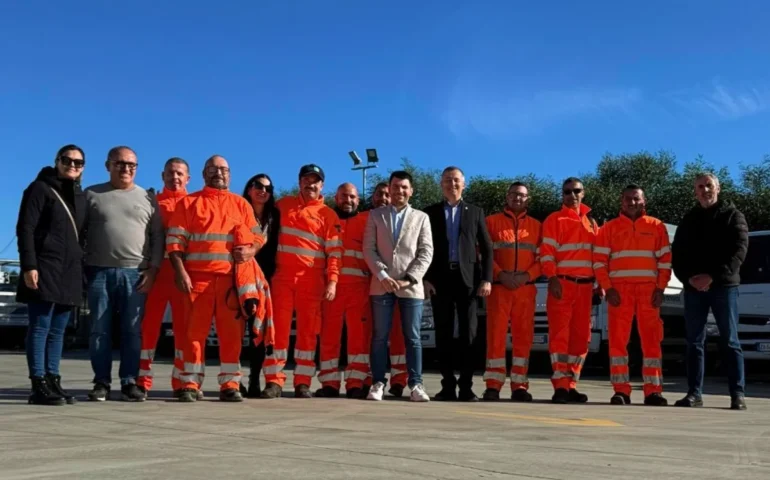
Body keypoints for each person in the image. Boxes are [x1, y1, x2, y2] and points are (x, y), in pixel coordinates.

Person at [166, 155, 260, 402]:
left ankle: (230, 384)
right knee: (193, 335)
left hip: (230, 282)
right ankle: (189, 383)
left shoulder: (241, 204)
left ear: (230, 174)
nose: (219, 173)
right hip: (196, 280)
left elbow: (257, 236)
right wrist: (180, 272)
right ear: (204, 173)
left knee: (232, 336)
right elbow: (174, 242)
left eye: (224, 169)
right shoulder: (189, 203)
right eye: (213, 169)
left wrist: (252, 250)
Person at [83, 146, 164, 402]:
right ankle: (101, 383)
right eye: (120, 163)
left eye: (131, 164)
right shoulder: (92, 194)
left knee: (132, 331)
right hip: (99, 272)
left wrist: (153, 270)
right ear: (108, 165)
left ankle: (130, 381)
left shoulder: (148, 198)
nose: (126, 168)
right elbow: (78, 233)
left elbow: (157, 237)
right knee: (99, 330)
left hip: (135, 274)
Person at [261, 164, 343, 399]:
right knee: (277, 331)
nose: (311, 184)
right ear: (299, 182)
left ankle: (303, 382)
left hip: (312, 280)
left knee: (308, 333)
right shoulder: (283, 205)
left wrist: (332, 281)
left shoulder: (328, 215)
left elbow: (334, 253)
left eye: (315, 181)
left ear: (322, 185)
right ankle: (274, 381)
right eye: (306, 180)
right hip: (282, 278)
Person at [16, 144, 87, 405]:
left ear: (83, 168)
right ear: (57, 161)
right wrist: (29, 265)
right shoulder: (40, 188)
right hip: (44, 266)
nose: (72, 165)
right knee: (40, 327)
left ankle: (53, 379)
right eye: (67, 160)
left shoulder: (80, 196)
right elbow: (25, 228)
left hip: (69, 270)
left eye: (78, 163)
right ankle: (38, 383)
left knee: (58, 331)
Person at [672, 172, 748, 410]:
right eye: (700, 187)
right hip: (694, 289)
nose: (705, 190)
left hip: (724, 287)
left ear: (718, 188)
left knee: (730, 340)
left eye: (709, 186)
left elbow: (738, 251)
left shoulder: (733, 216)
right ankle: (694, 394)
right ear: (695, 191)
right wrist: (689, 279)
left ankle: (738, 394)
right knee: (694, 341)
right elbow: (678, 254)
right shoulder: (689, 219)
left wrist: (712, 276)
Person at [593, 185, 671, 406]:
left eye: (636, 198)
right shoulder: (609, 228)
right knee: (618, 342)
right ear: (621, 201)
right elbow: (599, 262)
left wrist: (660, 288)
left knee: (652, 341)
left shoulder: (656, 226)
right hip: (620, 291)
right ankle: (621, 390)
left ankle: (653, 391)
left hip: (648, 292)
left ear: (643, 201)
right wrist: (608, 288)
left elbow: (665, 261)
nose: (632, 202)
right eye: (628, 199)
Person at [422, 167, 492, 401]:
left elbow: (487, 248)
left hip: (468, 282)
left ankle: (466, 387)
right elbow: (422, 249)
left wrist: (486, 278)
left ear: (464, 184)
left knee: (468, 335)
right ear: (441, 184)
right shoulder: (429, 213)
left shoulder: (475, 212)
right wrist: (425, 279)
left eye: (456, 180)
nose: (452, 184)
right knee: (442, 334)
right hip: (440, 281)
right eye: (447, 180)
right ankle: (447, 386)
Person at [363, 170, 434, 402]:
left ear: (411, 191)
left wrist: (408, 279)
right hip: (381, 284)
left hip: (410, 287)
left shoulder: (421, 217)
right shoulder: (375, 215)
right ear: (390, 189)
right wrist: (383, 275)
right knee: (379, 336)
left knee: (412, 337)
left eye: (404, 187)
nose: (399, 191)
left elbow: (426, 252)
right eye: (396, 187)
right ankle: (377, 383)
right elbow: (369, 249)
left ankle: (416, 384)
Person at [540, 177, 598, 404]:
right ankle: (560, 387)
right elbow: (547, 252)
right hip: (562, 285)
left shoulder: (592, 222)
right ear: (562, 195)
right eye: (567, 192)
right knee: (560, 337)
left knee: (581, 339)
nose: (572, 195)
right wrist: (552, 277)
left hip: (586, 288)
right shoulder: (554, 219)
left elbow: (598, 256)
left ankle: (572, 384)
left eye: (576, 191)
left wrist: (600, 283)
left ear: (583, 193)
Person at [136, 157, 191, 398]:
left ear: (188, 178)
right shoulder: (152, 203)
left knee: (184, 329)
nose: (175, 177)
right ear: (163, 176)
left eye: (179, 173)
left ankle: (181, 383)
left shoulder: (194, 204)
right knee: (148, 328)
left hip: (184, 274)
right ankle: (142, 380)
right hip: (157, 271)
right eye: (170, 173)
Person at [483, 182, 541, 402]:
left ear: (528, 199)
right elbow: (484, 254)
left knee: (523, 338)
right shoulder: (491, 222)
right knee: (495, 337)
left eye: (522, 195)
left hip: (526, 289)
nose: (518, 198)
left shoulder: (537, 226)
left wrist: (527, 276)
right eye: (514, 194)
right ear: (506, 197)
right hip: (499, 289)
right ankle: (493, 385)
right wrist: (500, 275)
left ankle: (520, 385)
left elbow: (543, 258)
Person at [315, 183, 373, 399]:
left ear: (358, 200)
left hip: (359, 289)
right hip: (331, 289)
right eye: (343, 196)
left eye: (352, 197)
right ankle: (329, 383)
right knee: (329, 337)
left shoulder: (367, 221)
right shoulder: (327, 219)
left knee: (358, 340)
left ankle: (355, 383)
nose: (347, 200)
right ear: (336, 198)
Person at [239, 173, 281, 398]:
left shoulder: (275, 216)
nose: (262, 190)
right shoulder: (237, 209)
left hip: (264, 280)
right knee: (235, 332)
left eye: (268, 187)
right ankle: (234, 381)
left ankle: (254, 379)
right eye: (257, 185)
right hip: (239, 278)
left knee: (258, 334)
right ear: (248, 188)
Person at [369, 181, 408, 397]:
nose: (383, 198)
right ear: (373, 197)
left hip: (399, 286)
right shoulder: (368, 219)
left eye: (387, 194)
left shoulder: (399, 220)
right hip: (372, 287)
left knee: (399, 336)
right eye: (379, 194)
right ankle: (374, 378)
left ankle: (399, 381)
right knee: (376, 336)